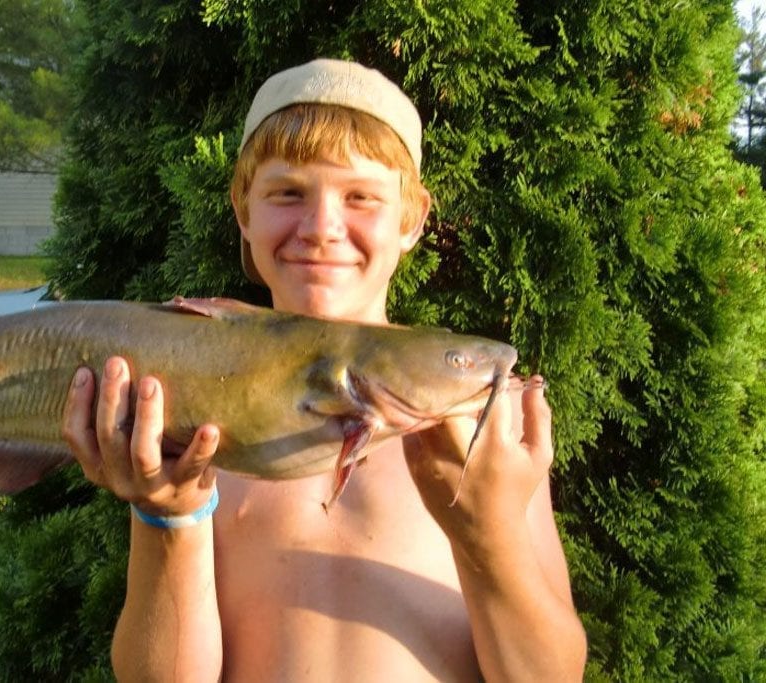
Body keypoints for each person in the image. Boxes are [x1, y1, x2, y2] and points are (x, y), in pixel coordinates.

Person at [61, 58, 587, 681]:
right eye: (287, 193)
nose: (320, 229)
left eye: (361, 196)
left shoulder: (483, 425)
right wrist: (167, 514)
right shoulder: (193, 398)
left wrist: (487, 535)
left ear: (413, 218)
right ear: (243, 209)